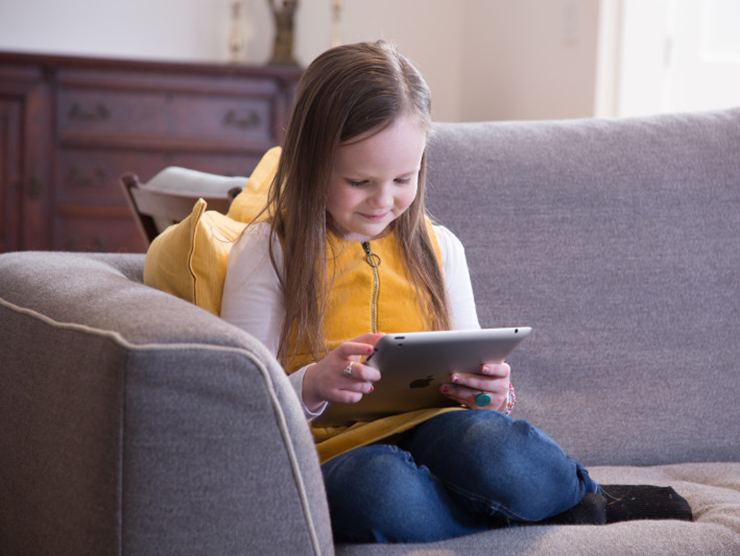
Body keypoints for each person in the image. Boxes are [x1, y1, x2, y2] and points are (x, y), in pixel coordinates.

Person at [221, 40, 692, 543]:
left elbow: (476, 381)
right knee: (378, 492)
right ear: (310, 160)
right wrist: (312, 384)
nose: (384, 201)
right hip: (336, 452)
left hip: (442, 432)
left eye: (404, 178)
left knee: (496, 451)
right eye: (359, 180)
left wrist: (493, 393)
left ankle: (567, 494)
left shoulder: (438, 246)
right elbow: (236, 399)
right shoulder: (270, 248)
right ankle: (562, 510)